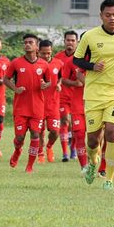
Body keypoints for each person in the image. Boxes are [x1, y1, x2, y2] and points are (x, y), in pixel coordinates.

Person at [73, 0, 114, 190]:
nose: (112, 18)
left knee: (112, 133)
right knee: (93, 139)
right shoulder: (90, 36)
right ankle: (93, 163)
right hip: (93, 93)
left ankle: (109, 180)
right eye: (108, 15)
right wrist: (93, 66)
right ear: (101, 16)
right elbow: (77, 60)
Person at [4, 34, 51, 173]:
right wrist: (15, 89)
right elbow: (6, 79)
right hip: (21, 107)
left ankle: (29, 166)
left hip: (37, 107)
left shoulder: (44, 64)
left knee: (36, 135)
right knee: (19, 137)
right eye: (25, 42)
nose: (27, 44)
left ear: (37, 46)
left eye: (30, 42)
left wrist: (44, 85)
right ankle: (17, 150)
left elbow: (49, 81)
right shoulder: (16, 63)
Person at [37, 40, 63, 163]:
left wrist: (59, 84)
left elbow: (61, 77)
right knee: (39, 131)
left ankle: (49, 146)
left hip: (53, 104)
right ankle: (40, 152)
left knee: (55, 131)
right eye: (43, 53)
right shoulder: (35, 64)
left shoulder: (58, 64)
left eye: (48, 53)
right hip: (38, 103)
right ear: (38, 52)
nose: (46, 56)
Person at [61, 52, 88, 170]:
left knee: (96, 138)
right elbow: (63, 79)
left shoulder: (101, 60)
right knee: (79, 133)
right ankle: (84, 167)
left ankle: (95, 157)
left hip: (96, 102)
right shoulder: (71, 61)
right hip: (76, 102)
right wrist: (75, 83)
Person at [54, 31, 78, 161]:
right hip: (62, 96)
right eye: (68, 40)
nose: (70, 42)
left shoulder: (81, 58)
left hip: (77, 97)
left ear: (77, 42)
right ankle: (65, 154)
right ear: (64, 42)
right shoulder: (57, 58)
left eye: (73, 40)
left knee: (75, 125)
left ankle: (73, 148)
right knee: (64, 121)